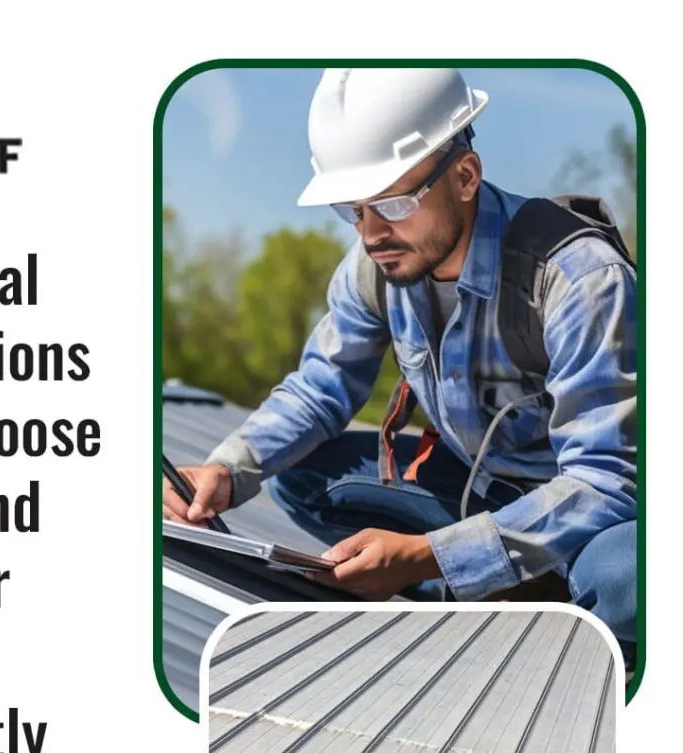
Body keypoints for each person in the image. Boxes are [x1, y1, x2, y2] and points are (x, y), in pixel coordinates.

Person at [162, 67, 637, 668]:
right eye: (352, 209)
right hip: (483, 491)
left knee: (624, 580)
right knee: (297, 475)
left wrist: (430, 555)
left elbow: (608, 484)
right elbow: (320, 387)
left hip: (598, 517)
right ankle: (505, 582)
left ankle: (564, 616)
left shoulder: (579, 280)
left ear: (464, 176)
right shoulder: (379, 268)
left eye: (390, 201)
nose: (371, 233)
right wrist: (227, 471)